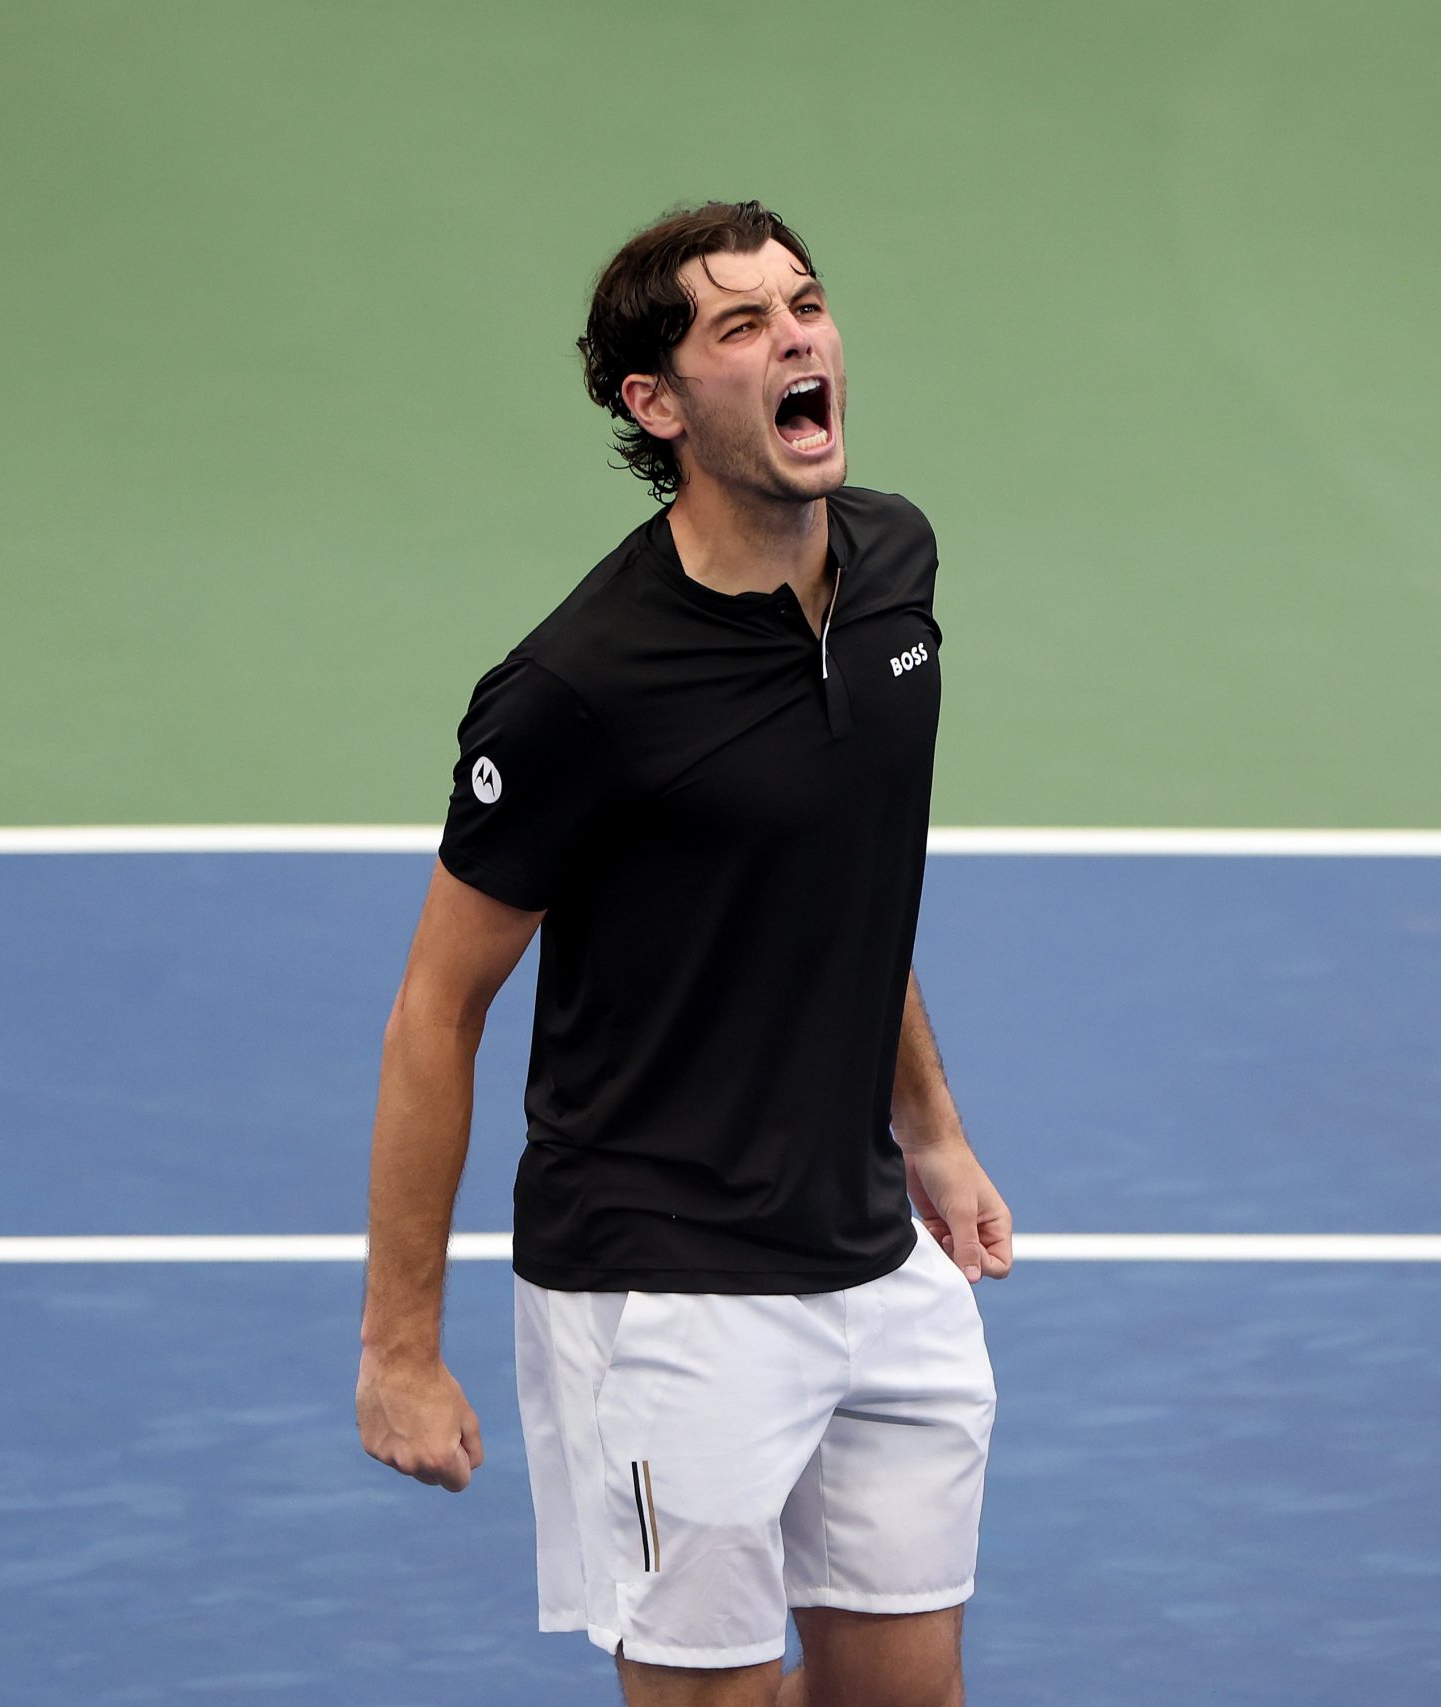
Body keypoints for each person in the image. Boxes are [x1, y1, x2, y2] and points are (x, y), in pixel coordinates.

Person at [354, 200, 1012, 1707]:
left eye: (805, 304)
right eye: (741, 326)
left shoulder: (893, 565)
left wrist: (935, 1133)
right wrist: (401, 1346)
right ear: (656, 404)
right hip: (668, 1283)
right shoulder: (574, 691)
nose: (798, 337)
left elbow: (850, 883)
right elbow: (435, 1010)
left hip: (872, 1257)